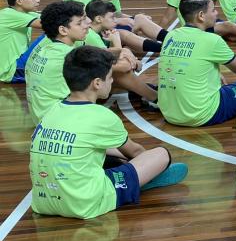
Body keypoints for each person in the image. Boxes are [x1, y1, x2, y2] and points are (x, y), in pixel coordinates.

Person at [29, 46, 187, 220]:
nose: (112, 82)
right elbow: (135, 152)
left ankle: (128, 175)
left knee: (108, 152)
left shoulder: (51, 111)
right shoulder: (102, 116)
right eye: (111, 77)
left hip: (42, 202)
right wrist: (149, 168)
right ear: (97, 83)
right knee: (161, 155)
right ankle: (143, 182)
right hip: (85, 203)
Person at [158, 0, 236, 127]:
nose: (216, 13)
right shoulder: (212, 40)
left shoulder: (171, 35)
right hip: (202, 114)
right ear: (201, 15)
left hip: (169, 114)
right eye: (213, 10)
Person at [84, 0, 158, 107]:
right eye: (111, 17)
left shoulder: (97, 32)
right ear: (99, 19)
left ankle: (144, 91)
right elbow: (113, 62)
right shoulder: (91, 36)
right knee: (120, 72)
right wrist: (117, 41)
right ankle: (155, 98)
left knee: (122, 60)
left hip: (88, 77)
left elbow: (110, 55)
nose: (115, 21)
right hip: (82, 82)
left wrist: (126, 52)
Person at [73, 0, 168, 53]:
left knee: (140, 18)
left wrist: (132, 18)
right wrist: (118, 21)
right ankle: (165, 49)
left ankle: (173, 39)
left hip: (107, 26)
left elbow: (117, 14)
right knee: (121, 33)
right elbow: (84, 23)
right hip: (96, 33)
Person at [25, 1, 89, 123]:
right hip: (57, 121)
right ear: (63, 30)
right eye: (80, 23)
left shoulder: (43, 48)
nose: (86, 25)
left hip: (39, 118)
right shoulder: (68, 55)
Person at [1, 0, 44, 84]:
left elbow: (52, 17)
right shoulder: (8, 15)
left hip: (18, 63)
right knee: (57, 30)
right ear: (19, 1)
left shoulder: (25, 14)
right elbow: (51, 23)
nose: (38, 0)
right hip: (11, 71)